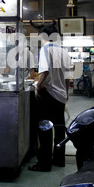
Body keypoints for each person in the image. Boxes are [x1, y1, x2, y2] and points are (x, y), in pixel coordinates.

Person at [28, 23, 72, 171]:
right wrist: (65, 93)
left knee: (45, 130)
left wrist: (39, 86)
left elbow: (45, 72)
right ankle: (59, 160)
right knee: (60, 130)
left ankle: (44, 163)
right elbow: (67, 76)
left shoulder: (45, 49)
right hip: (60, 96)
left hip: (48, 95)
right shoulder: (64, 51)